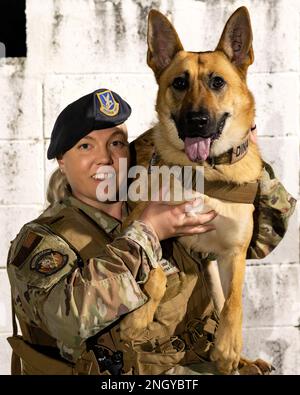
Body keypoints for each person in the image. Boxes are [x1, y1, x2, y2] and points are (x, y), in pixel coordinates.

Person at [6, 88, 296, 375]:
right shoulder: (43, 239)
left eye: (116, 143)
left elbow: (260, 240)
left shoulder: (168, 201)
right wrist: (147, 232)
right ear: (61, 160)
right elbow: (66, 320)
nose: (106, 158)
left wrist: (245, 158)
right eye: (85, 146)